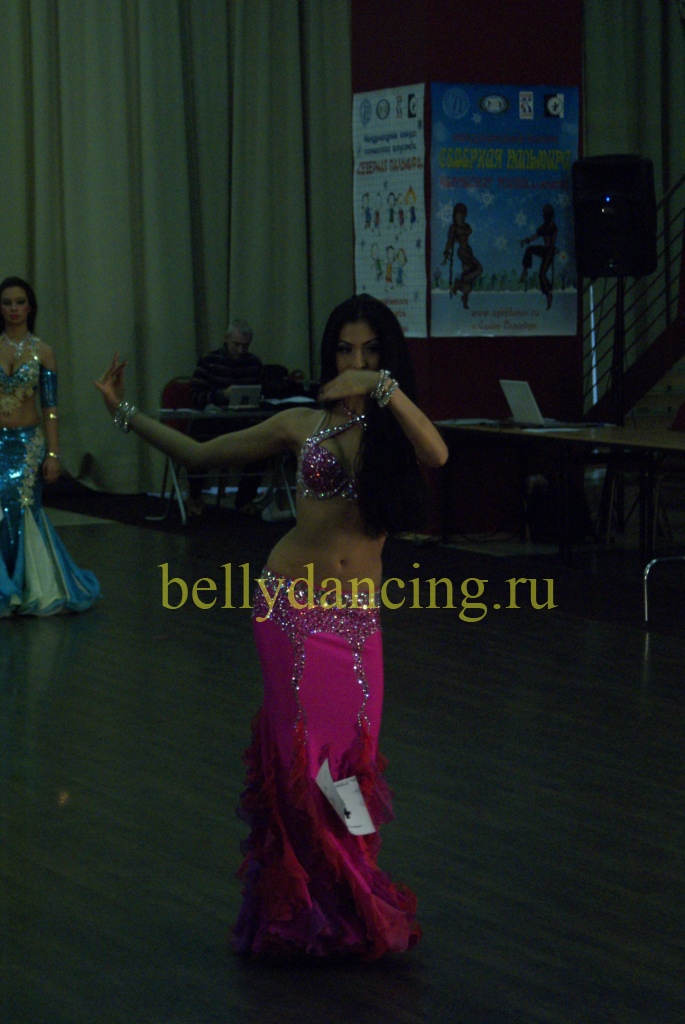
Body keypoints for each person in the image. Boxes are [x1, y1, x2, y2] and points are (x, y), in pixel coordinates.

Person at [94, 293, 448, 960]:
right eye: (344, 349)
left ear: (387, 358)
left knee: (354, 763)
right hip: (289, 608)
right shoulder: (300, 424)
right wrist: (124, 413)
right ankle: (306, 903)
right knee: (305, 762)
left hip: (357, 620)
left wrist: (382, 388)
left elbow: (438, 453)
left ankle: (354, 883)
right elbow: (200, 455)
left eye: (370, 350)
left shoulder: (395, 428)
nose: (354, 360)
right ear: (328, 354)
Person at [0, 276, 100, 616]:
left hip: (28, 444)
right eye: (7, 303)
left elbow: (50, 408)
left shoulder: (43, 351)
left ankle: (28, 586)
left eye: (19, 302)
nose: (14, 308)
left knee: (23, 510)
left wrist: (54, 454)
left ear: (30, 307)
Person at [188, 319, 264, 516]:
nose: (240, 350)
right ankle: (194, 496)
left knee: (267, 440)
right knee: (197, 438)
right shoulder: (209, 361)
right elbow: (195, 396)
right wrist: (222, 395)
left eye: (245, 346)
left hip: (242, 423)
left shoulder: (254, 364)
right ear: (226, 339)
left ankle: (245, 498)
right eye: (236, 345)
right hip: (213, 424)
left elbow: (262, 394)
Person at [442, 202, 483, 308]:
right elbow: (450, 241)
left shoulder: (466, 226)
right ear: (455, 214)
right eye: (458, 213)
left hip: (468, 250)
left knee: (468, 274)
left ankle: (465, 299)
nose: (460, 215)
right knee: (479, 269)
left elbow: (468, 232)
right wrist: (446, 253)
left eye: (462, 213)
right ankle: (458, 283)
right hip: (462, 252)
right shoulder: (454, 228)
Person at [520, 203, 557, 309]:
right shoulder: (543, 226)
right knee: (530, 249)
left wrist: (551, 247)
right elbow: (535, 236)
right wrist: (526, 240)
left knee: (542, 274)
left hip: (550, 251)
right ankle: (525, 270)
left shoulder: (552, 226)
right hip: (546, 250)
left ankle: (548, 293)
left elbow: (553, 240)